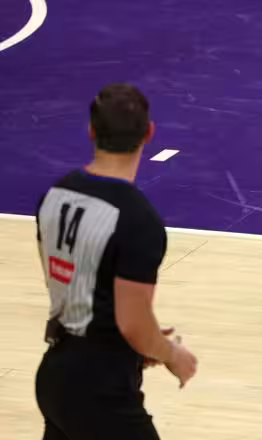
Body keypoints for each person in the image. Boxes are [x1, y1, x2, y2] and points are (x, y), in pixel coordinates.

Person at [34, 84, 197, 439]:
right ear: (149, 133)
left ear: (91, 130)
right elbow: (133, 323)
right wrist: (169, 352)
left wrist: (140, 341)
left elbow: (70, 283)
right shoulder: (137, 219)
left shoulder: (55, 195)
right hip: (101, 388)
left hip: (54, 374)